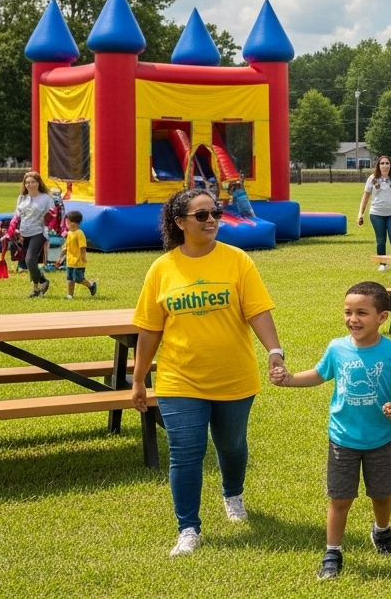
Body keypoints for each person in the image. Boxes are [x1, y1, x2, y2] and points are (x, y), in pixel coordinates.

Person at [131, 188, 285, 557]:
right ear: (180, 222)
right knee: (186, 451)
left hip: (234, 375)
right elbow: (149, 330)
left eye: (214, 212)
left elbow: (257, 311)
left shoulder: (237, 260)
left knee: (230, 444)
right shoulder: (162, 268)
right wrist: (138, 379)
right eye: (201, 215)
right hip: (178, 378)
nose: (211, 219)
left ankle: (232, 493)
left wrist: (275, 351)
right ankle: (188, 528)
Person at [269, 281, 391, 580]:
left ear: (382, 317)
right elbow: (319, 374)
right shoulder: (337, 348)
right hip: (343, 439)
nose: (353, 319)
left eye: (362, 312)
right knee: (340, 499)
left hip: (380, 438)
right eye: (348, 312)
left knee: (383, 494)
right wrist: (289, 379)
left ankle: (382, 531)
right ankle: (332, 552)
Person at [358, 155, 391, 268]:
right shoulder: (372, 179)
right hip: (376, 214)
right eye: (382, 163)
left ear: (390, 166)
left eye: (387, 163)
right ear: (378, 166)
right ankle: (382, 263)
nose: (385, 166)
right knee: (380, 240)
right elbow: (365, 197)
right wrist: (360, 213)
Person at [15, 171, 54, 297]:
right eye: (27, 182)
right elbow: (17, 215)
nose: (29, 185)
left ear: (38, 183)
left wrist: (52, 229)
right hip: (24, 232)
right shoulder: (22, 198)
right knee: (30, 263)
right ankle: (37, 288)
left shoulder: (46, 198)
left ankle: (42, 281)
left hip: (39, 232)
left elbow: (54, 215)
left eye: (32, 182)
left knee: (30, 259)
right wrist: (15, 230)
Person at [56, 210, 98, 299]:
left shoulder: (79, 233)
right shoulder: (69, 234)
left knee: (78, 279)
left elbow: (82, 247)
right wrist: (60, 259)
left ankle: (91, 285)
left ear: (72, 222)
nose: (65, 224)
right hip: (70, 262)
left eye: (66, 221)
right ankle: (70, 295)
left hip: (78, 262)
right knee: (70, 279)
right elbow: (65, 248)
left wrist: (83, 257)